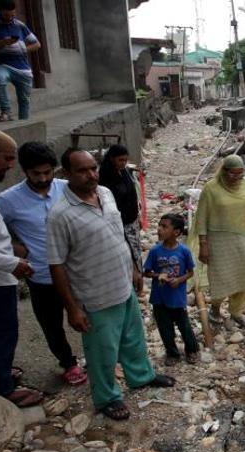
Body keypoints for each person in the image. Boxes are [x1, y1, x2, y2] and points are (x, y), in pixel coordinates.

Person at [47, 148, 174, 421]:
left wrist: (134, 267)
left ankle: (141, 376)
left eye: (93, 168)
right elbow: (56, 264)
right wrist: (72, 308)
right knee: (102, 351)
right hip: (95, 295)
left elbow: (120, 234)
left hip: (123, 283)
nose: (90, 174)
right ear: (66, 173)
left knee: (133, 339)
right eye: (82, 170)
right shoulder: (60, 215)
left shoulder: (105, 193)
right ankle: (107, 398)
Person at [0, 142, 86, 386]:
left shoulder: (67, 189)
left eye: (48, 172)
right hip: (42, 275)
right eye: (36, 174)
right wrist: (14, 248)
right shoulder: (7, 201)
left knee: (88, 314)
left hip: (77, 271)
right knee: (52, 325)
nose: (43, 178)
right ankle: (68, 363)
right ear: (24, 171)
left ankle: (98, 355)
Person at [0, 129, 42, 406]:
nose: (11, 165)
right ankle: (2, 389)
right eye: (7, 158)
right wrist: (10, 262)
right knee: (1, 329)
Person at [190, 155, 245, 328]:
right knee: (222, 277)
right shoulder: (211, 188)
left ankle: (236, 311)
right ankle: (215, 308)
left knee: (244, 276)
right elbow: (202, 218)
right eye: (233, 173)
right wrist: (204, 244)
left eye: (240, 173)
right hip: (219, 240)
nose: (237, 177)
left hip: (244, 238)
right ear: (224, 171)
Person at [143, 213, 199, 366]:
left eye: (164, 227)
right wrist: (158, 275)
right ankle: (172, 353)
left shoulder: (184, 251)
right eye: (159, 226)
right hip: (159, 298)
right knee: (165, 328)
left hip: (177, 297)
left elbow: (190, 272)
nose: (159, 229)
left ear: (177, 232)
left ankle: (191, 349)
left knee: (184, 326)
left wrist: (179, 280)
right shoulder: (155, 251)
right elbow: (146, 271)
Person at [0, 0, 41, 122]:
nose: (10, 18)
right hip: (4, 64)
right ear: (0, 11)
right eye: (6, 15)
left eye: (12, 15)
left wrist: (23, 49)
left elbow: (37, 44)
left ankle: (24, 123)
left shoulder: (20, 25)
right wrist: (3, 42)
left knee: (24, 100)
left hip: (23, 69)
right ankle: (6, 112)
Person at [98, 144, 144, 293]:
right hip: (120, 225)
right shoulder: (105, 179)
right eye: (120, 160)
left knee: (136, 253)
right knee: (126, 254)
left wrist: (137, 216)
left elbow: (132, 194)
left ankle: (137, 282)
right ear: (112, 159)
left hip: (132, 221)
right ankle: (128, 286)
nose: (123, 163)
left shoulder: (123, 172)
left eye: (125, 160)